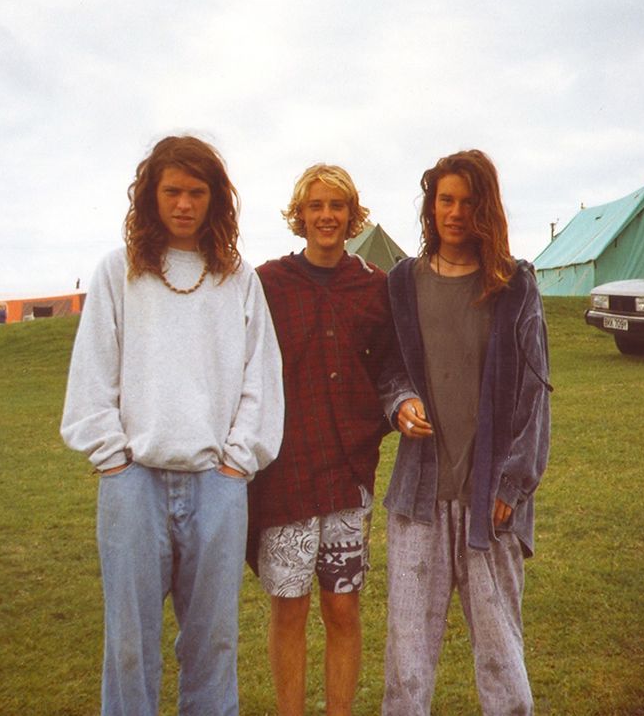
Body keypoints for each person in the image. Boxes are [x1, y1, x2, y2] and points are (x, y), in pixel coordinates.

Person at [60, 135, 284, 716]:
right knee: (129, 644)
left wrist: (239, 461)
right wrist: (112, 454)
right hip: (133, 483)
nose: (184, 204)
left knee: (213, 639)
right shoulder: (118, 272)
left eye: (196, 192)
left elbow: (260, 376)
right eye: (172, 191)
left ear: (215, 200)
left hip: (217, 484)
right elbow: (93, 374)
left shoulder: (238, 278)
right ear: (150, 196)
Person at [381, 149, 551, 715]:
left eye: (467, 201)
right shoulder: (402, 281)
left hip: (491, 504)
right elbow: (390, 367)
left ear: (486, 208)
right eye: (444, 199)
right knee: (407, 665)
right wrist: (400, 400)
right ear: (431, 205)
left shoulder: (515, 285)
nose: (455, 212)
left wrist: (511, 485)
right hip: (418, 500)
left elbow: (534, 396)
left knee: (501, 658)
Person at [249, 164, 402, 716]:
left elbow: (390, 368)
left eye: (337, 206)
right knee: (288, 608)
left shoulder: (373, 286)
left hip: (346, 473)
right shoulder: (268, 283)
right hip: (285, 473)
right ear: (300, 215)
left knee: (342, 608)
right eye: (316, 205)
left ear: (352, 214)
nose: (327, 216)